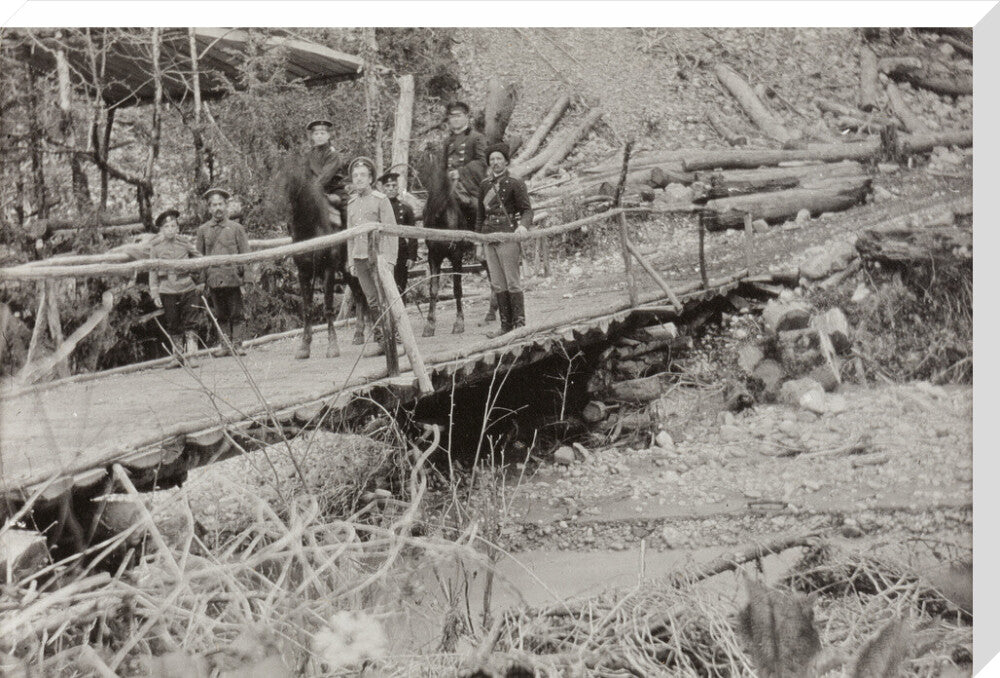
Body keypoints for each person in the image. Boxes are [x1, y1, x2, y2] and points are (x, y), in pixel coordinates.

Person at [476, 142, 533, 337]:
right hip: (489, 237)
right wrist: (478, 241)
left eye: (499, 158)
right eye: (492, 159)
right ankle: (505, 326)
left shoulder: (515, 182)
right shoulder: (484, 185)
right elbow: (479, 215)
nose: (495, 162)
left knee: (512, 282)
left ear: (506, 161)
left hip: (508, 236)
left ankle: (520, 325)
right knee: (498, 283)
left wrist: (523, 226)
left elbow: (527, 210)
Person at [346, 158, 398, 355]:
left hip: (378, 258)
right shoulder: (351, 203)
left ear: (370, 179)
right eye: (355, 176)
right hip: (359, 258)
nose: (358, 179)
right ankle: (380, 339)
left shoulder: (380, 199)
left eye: (362, 175)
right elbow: (349, 235)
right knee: (372, 300)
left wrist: (390, 260)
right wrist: (351, 260)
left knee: (384, 297)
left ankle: (393, 336)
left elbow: (391, 231)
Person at [195, 188, 250, 356]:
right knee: (220, 314)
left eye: (220, 204)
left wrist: (247, 279)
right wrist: (201, 280)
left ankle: (238, 345)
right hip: (214, 279)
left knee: (237, 313)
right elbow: (200, 258)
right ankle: (225, 346)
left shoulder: (236, 228)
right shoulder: (203, 230)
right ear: (209, 208)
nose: (217, 208)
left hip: (233, 278)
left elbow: (246, 254)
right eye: (213, 205)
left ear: (226, 206)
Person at [148, 208, 201, 364]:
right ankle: (177, 356)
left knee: (191, 321)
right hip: (167, 289)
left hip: (187, 287)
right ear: (161, 230)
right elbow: (152, 270)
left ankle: (192, 356)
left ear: (178, 228)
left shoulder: (184, 243)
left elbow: (199, 258)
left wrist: (191, 269)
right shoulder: (156, 247)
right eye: (166, 227)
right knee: (173, 323)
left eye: (173, 226)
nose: (170, 230)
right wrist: (155, 293)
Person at [377, 171, 416, 298]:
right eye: (388, 186)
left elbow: (413, 234)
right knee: (383, 287)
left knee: (400, 286)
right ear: (382, 188)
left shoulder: (406, 208)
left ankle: (401, 315)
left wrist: (412, 256)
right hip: (382, 251)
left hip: (401, 252)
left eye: (394, 186)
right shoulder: (377, 207)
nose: (391, 189)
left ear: (398, 187)